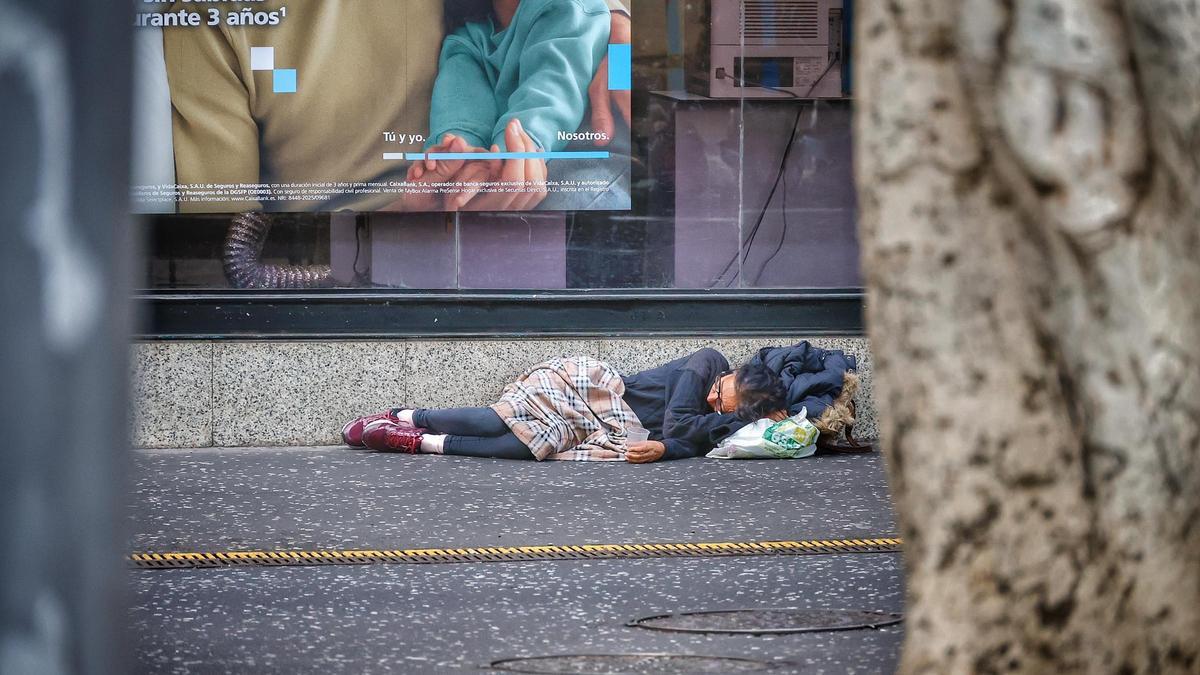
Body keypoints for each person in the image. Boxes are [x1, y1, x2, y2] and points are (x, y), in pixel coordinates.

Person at [160, 0, 630, 213]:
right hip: (345, 258)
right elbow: (221, 233)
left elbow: (570, 63)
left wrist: (615, 22)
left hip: (535, 183)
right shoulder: (208, 15)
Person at [340, 348, 788, 463]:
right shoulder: (708, 363)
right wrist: (673, 445)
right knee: (503, 417)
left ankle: (419, 443)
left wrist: (673, 446)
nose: (713, 394)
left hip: (602, 428)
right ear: (730, 374)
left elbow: (685, 440)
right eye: (721, 387)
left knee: (530, 448)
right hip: (588, 389)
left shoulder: (722, 423)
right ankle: (402, 415)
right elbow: (677, 429)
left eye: (722, 404)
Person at [406, 0, 631, 211]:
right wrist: (458, 156)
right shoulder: (466, 40)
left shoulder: (573, 7)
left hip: (598, 155)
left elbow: (551, 89)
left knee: (575, 199)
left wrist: (505, 157)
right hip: (527, 163)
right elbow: (460, 104)